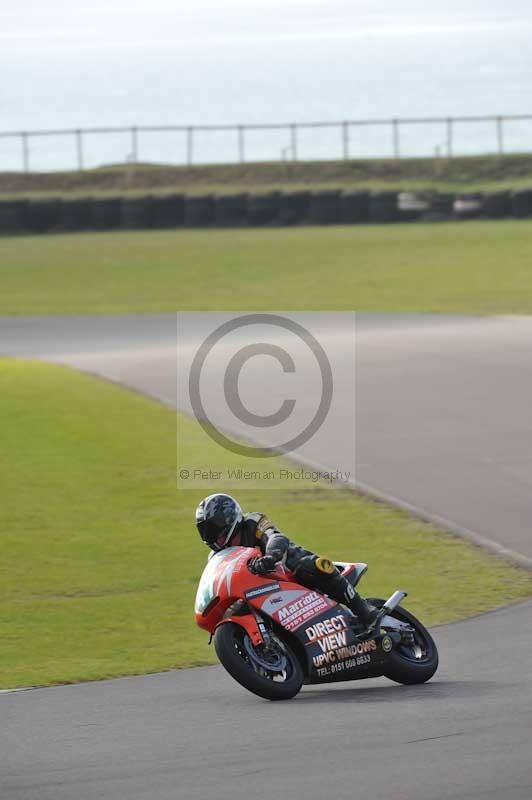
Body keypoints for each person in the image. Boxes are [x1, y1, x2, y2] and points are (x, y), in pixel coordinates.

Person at [195, 492, 378, 628]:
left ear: (229, 520)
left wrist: (270, 557)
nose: (211, 536)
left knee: (310, 566)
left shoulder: (253, 521)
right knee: (235, 613)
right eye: (205, 531)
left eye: (213, 529)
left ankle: (365, 611)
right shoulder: (217, 557)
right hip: (262, 591)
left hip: (291, 570)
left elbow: (275, 537)